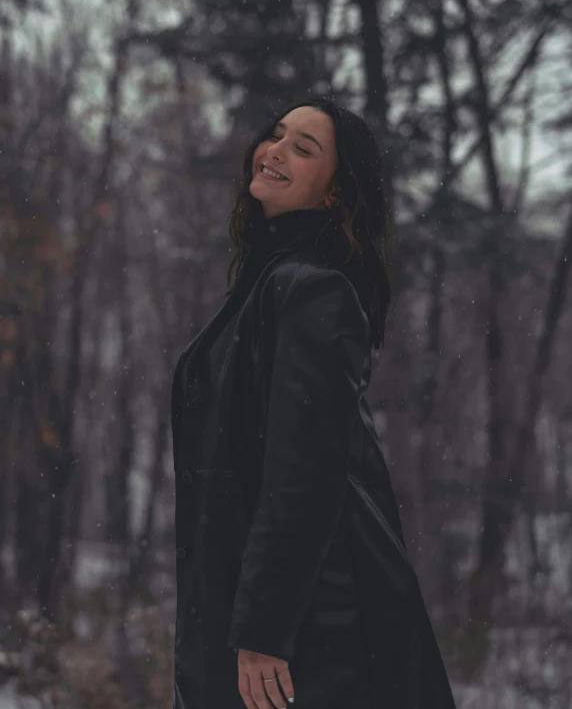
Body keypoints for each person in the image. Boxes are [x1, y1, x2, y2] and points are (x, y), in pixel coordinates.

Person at [170, 96, 457, 709]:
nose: (274, 150)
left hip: (311, 631)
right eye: (276, 135)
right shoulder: (267, 282)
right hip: (252, 616)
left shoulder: (313, 290)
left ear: (333, 194)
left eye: (303, 148)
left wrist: (264, 632)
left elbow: (306, 472)